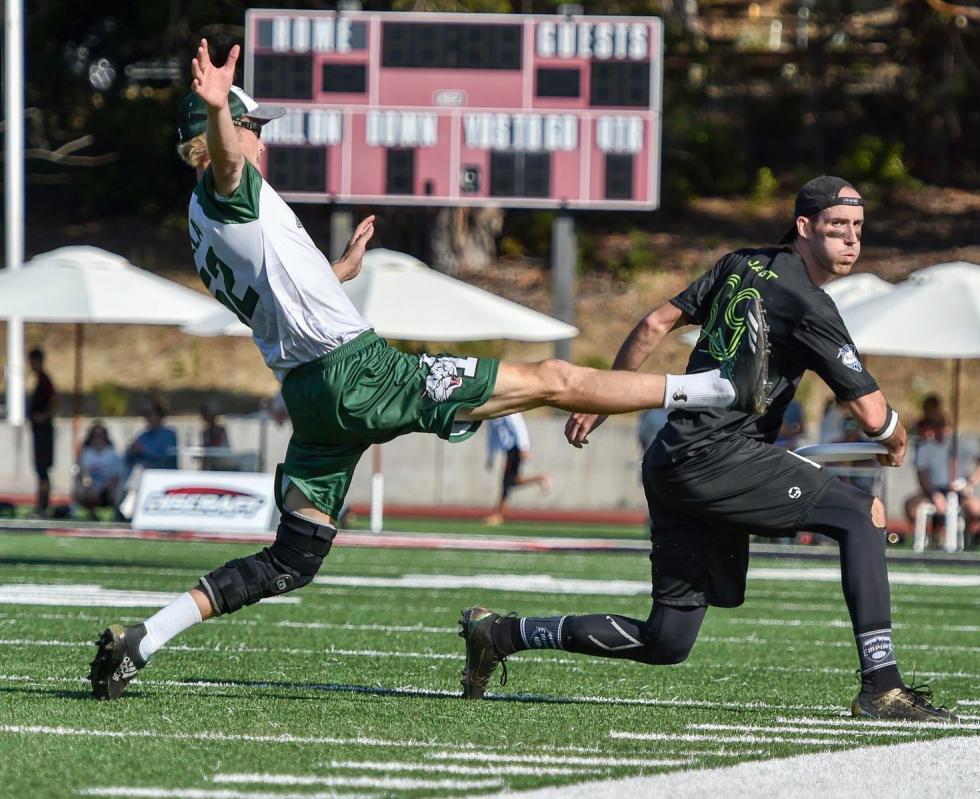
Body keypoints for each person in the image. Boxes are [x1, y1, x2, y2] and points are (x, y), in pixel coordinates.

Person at [88, 39, 768, 701]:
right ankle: (713, 387)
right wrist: (217, 108)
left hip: (310, 394)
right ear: (221, 137)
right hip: (358, 373)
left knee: (291, 560)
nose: (262, 140)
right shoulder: (226, 185)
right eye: (253, 128)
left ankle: (144, 638)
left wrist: (336, 274)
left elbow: (275, 289)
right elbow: (229, 163)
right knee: (553, 378)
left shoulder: (199, 222)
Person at [460, 176, 957, 722]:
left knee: (667, 639)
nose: (852, 239)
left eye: (858, 227)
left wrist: (604, 399)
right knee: (862, 515)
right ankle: (882, 686)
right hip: (719, 457)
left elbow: (655, 322)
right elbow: (873, 416)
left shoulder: (740, 263)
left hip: (672, 460)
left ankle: (501, 633)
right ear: (804, 227)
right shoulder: (809, 303)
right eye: (838, 226)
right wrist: (897, 439)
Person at [904, 419, 980, 534]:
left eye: (943, 427)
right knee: (912, 507)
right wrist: (935, 494)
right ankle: (927, 536)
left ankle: (965, 535)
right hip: (933, 490)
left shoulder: (961, 444)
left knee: (976, 509)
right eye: (937, 426)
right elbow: (923, 477)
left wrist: (970, 483)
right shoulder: (925, 448)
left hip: (959, 489)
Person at [483, 412, 551, 526]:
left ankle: (499, 515)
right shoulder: (491, 416)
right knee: (511, 481)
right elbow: (492, 436)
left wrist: (523, 447)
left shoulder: (508, 411)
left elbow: (519, 427)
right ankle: (540, 478)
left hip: (515, 448)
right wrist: (491, 455)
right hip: (509, 450)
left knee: (507, 483)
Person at [27, 348, 57, 517]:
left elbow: (54, 400)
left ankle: (43, 506)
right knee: (41, 470)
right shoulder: (41, 379)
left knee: (43, 470)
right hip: (39, 431)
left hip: (44, 432)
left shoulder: (45, 380)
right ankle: (41, 505)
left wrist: (44, 416)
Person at [73, 422, 124, 521]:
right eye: (95, 435)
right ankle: (90, 512)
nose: (98, 438)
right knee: (81, 489)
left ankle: (115, 513)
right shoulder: (85, 454)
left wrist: (102, 488)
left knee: (116, 488)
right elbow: (82, 473)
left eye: (100, 435)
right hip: (90, 487)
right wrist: (89, 486)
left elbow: (116, 476)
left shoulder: (112, 454)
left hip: (107, 488)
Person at [125, 402, 179, 472]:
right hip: (147, 475)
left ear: (160, 416)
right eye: (146, 415)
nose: (148, 418)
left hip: (166, 475)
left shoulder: (170, 435)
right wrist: (130, 452)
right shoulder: (143, 436)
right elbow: (129, 461)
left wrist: (143, 450)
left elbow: (167, 458)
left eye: (151, 415)